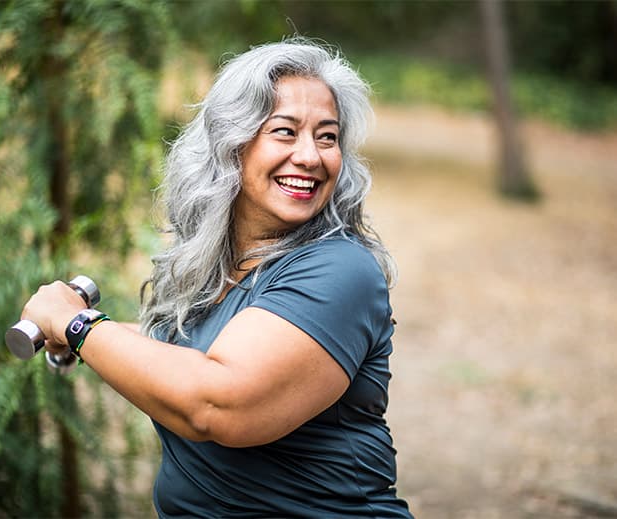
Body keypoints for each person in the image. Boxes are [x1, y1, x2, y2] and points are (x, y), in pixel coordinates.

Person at [21, 38, 414, 518]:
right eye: (285, 132)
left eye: (327, 137)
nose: (311, 156)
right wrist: (77, 330)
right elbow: (190, 351)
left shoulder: (339, 269)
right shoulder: (223, 265)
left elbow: (218, 404)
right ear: (232, 144)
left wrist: (80, 328)